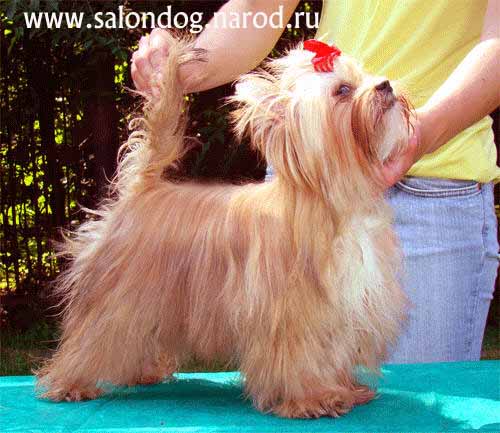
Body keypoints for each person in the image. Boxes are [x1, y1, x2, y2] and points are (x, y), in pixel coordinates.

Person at [131, 0, 500, 363]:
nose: (380, 85)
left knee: (420, 398)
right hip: (298, 201)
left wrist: (426, 131)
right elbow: (259, 8)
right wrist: (181, 65)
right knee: (293, 381)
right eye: (344, 91)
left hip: (437, 189)